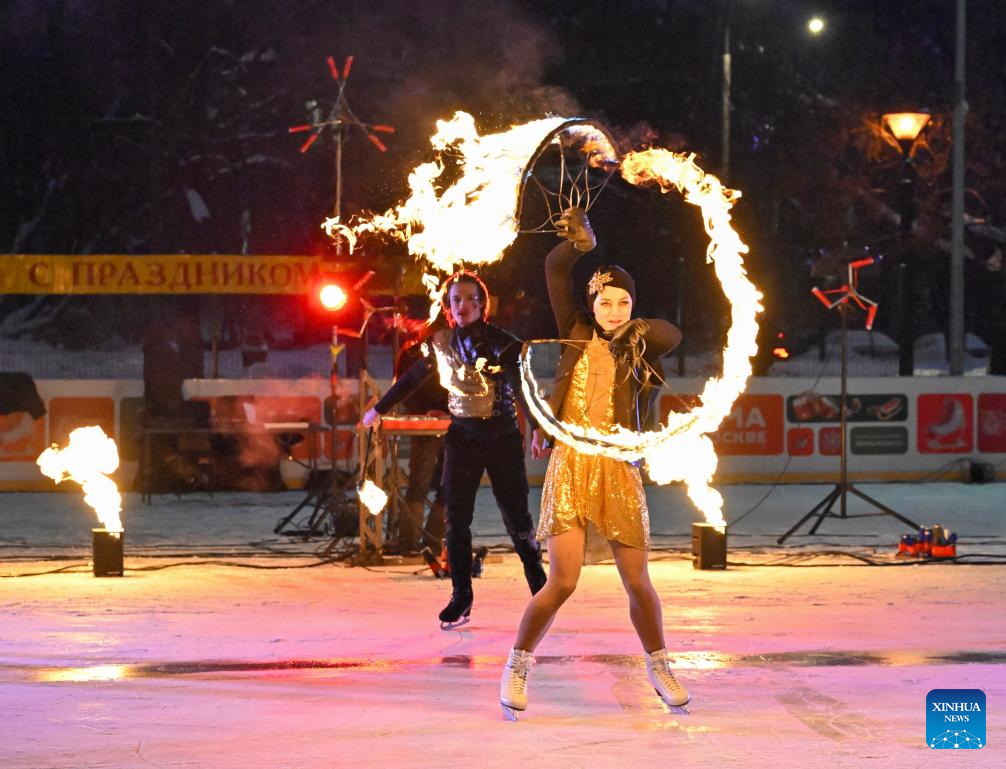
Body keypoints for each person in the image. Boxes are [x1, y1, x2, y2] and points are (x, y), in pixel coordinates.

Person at [499, 207, 688, 718]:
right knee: (562, 580)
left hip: (618, 468)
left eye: (624, 302)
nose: (615, 311)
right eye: (606, 302)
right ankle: (517, 664)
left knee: (638, 580)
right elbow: (555, 269)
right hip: (572, 464)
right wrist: (580, 244)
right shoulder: (575, 329)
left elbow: (673, 335)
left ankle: (659, 665)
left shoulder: (641, 345)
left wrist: (638, 329)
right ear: (591, 304)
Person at [363, 271, 547, 627]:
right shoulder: (440, 342)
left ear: (482, 304)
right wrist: (379, 410)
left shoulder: (503, 343)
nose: (463, 305)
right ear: (447, 306)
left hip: (501, 438)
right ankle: (461, 595)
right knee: (455, 518)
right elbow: (413, 378)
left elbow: (521, 386)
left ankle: (539, 586)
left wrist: (537, 428)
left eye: (470, 299)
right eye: (456, 299)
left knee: (517, 518)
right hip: (462, 438)